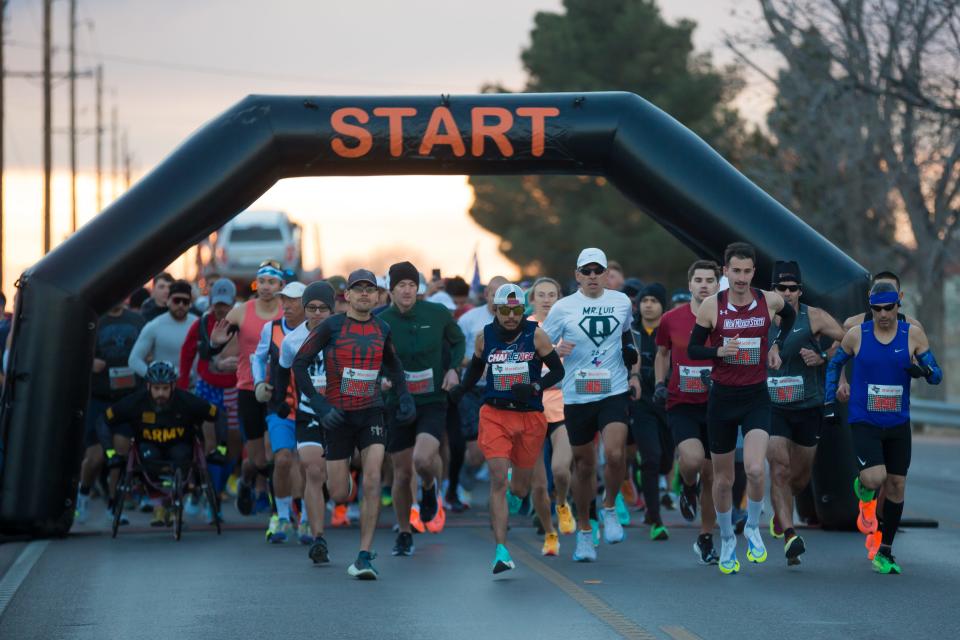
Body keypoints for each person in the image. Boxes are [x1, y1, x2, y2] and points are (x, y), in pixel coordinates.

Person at [293, 269, 416, 580]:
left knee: (373, 476)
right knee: (339, 493)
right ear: (345, 296)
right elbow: (300, 363)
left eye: (369, 290)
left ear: (377, 296)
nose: (364, 294)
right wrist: (320, 406)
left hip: (372, 412)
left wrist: (404, 397)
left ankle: (363, 554)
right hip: (337, 416)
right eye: (357, 289)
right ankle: (340, 500)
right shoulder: (332, 326)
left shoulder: (383, 328)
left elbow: (394, 365)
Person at [687, 242, 796, 575]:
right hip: (721, 399)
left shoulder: (768, 300)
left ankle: (751, 527)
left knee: (755, 469)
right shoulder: (711, 306)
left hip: (755, 397)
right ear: (725, 272)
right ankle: (726, 538)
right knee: (722, 480)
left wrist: (777, 344)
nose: (742, 278)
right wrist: (719, 352)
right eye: (736, 271)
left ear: (754, 272)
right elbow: (693, 349)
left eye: (748, 271)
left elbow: (789, 316)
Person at [825, 281, 942, 574]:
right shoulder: (857, 335)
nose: (883, 314)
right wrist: (830, 400)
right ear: (871, 307)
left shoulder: (912, 334)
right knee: (876, 478)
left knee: (897, 485)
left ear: (898, 306)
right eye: (877, 309)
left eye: (888, 308)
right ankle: (864, 489)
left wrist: (924, 370)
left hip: (898, 423)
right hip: (865, 419)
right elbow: (834, 364)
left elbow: (936, 375)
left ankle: (885, 551)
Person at [450, 284, 565, 573]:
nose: (511, 316)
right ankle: (501, 550)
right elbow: (475, 370)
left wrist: (536, 386)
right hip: (495, 415)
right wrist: (460, 391)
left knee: (520, 488)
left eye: (517, 310)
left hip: (529, 418)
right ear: (496, 310)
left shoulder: (535, 334)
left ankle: (518, 489)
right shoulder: (484, 337)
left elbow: (559, 371)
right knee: (498, 480)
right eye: (505, 310)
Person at [542, 248, 636, 562]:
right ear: (578, 275)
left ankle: (609, 507)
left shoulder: (621, 302)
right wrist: (557, 349)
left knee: (613, 452)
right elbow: (540, 348)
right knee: (583, 467)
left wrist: (633, 367)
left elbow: (626, 337)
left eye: (599, 270)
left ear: (607, 273)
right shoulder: (563, 307)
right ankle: (584, 531)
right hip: (578, 394)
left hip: (613, 388)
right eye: (587, 271)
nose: (593, 276)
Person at [378, 261, 466, 556]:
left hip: (432, 400)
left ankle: (429, 487)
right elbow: (370, 357)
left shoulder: (437, 313)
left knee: (422, 459)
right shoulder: (381, 320)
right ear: (391, 290)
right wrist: (381, 379)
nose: (407, 290)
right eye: (401, 285)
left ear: (419, 289)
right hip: (397, 401)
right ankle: (404, 532)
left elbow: (459, 341)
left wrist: (453, 369)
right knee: (401, 474)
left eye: (412, 285)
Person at [765, 261, 845, 565]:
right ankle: (789, 534)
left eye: (793, 288)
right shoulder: (760, 317)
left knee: (798, 479)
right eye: (781, 288)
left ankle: (782, 511)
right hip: (771, 406)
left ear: (800, 290)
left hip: (807, 406)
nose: (787, 293)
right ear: (773, 290)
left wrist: (822, 356)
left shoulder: (813, 316)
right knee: (779, 469)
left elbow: (847, 339)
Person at [654, 259, 722, 564]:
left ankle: (706, 537)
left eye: (710, 280)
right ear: (690, 284)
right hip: (682, 402)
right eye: (699, 280)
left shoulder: (725, 317)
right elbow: (662, 353)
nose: (705, 285)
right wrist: (659, 382)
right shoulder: (671, 319)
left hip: (718, 404)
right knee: (693, 460)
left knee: (712, 474)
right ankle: (687, 487)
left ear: (718, 285)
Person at [209, 260, 284, 515]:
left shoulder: (287, 311)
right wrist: (215, 345)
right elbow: (217, 342)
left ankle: (280, 510)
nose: (265, 287)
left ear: (280, 285)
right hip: (248, 388)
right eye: (262, 281)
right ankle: (246, 481)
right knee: (257, 459)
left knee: (274, 452)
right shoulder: (242, 311)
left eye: (271, 282)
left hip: (279, 389)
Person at [104, 361, 220, 526]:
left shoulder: (186, 400)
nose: (160, 394)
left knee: (180, 456)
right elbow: (104, 420)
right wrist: (110, 452)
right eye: (156, 389)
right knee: (149, 458)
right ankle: (158, 506)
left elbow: (216, 414)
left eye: (165, 389)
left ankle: (175, 506)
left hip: (180, 446)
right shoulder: (135, 401)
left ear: (173, 386)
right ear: (148, 386)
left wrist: (220, 448)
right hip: (148, 447)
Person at [275, 281, 335, 564]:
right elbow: (281, 369)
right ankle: (318, 536)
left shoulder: (344, 334)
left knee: (338, 486)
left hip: (342, 414)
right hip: (309, 413)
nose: (317, 313)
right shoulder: (293, 341)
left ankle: (336, 499)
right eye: (312, 308)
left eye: (323, 308)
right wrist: (280, 399)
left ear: (332, 310)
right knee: (312, 469)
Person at [75, 301, 145, 525]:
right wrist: (88, 361)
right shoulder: (94, 320)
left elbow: (147, 348)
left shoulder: (137, 320)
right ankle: (83, 494)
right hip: (99, 397)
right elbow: (73, 351)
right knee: (95, 457)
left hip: (126, 397)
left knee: (120, 454)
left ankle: (114, 505)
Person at [178, 278, 239, 521]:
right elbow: (186, 353)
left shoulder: (241, 323)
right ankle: (209, 499)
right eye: (217, 304)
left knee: (233, 444)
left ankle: (219, 488)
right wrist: (182, 387)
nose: (221, 309)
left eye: (226, 305)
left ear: (233, 303)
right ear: (211, 302)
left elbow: (257, 350)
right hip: (207, 387)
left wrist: (239, 364)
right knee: (210, 442)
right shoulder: (202, 323)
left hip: (234, 389)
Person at [252, 281, 308, 543]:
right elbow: (259, 357)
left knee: (309, 463)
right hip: (279, 405)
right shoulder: (271, 328)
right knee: (283, 459)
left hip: (310, 407)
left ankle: (307, 517)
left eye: (292, 301)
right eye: (284, 300)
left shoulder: (317, 330)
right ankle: (283, 517)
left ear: (305, 304)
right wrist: (258, 383)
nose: (286, 305)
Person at [526, 277, 576, 556]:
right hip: (533, 412)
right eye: (541, 295)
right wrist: (551, 355)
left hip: (564, 408)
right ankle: (549, 533)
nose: (546, 299)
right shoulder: (526, 329)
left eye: (552, 295)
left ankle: (562, 503)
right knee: (538, 483)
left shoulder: (570, 325)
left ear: (560, 298)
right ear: (532, 299)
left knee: (559, 470)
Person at [629, 282, 674, 541]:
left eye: (654, 301)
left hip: (668, 402)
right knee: (651, 458)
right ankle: (655, 519)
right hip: (640, 402)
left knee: (667, 461)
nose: (648, 305)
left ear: (662, 306)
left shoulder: (670, 330)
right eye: (645, 300)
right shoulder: (631, 331)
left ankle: (642, 472)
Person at [129, 280, 199, 380]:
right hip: (165, 391)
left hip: (194, 390)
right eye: (176, 300)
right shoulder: (155, 325)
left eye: (185, 301)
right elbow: (134, 360)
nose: (180, 305)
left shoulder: (198, 324)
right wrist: (156, 379)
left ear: (190, 304)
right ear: (168, 301)